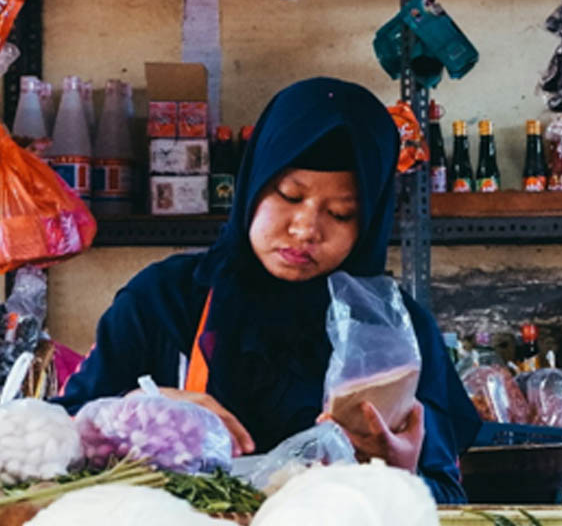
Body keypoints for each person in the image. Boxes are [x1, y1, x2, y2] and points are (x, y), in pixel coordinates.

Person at [54, 77, 481, 502]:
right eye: (288, 195)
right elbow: (60, 443)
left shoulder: (395, 337)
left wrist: (400, 474)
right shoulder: (163, 300)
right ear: (253, 184)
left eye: (341, 213)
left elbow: (446, 497)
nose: (305, 229)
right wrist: (136, 410)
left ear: (370, 225)